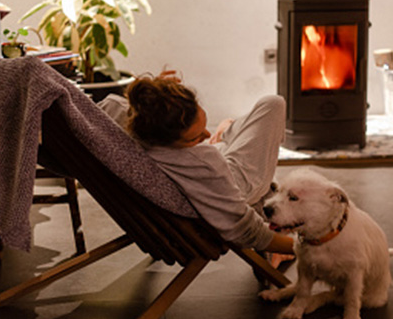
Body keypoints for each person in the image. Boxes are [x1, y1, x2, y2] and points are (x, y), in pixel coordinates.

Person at [98, 71, 295, 258]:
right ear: (167, 142)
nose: (205, 135)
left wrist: (159, 94)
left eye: (204, 126)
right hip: (233, 183)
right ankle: (226, 135)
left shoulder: (113, 112)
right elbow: (247, 231)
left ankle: (225, 134)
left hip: (208, 166)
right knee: (273, 104)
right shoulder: (205, 165)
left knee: (232, 135)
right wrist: (306, 248)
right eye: (195, 138)